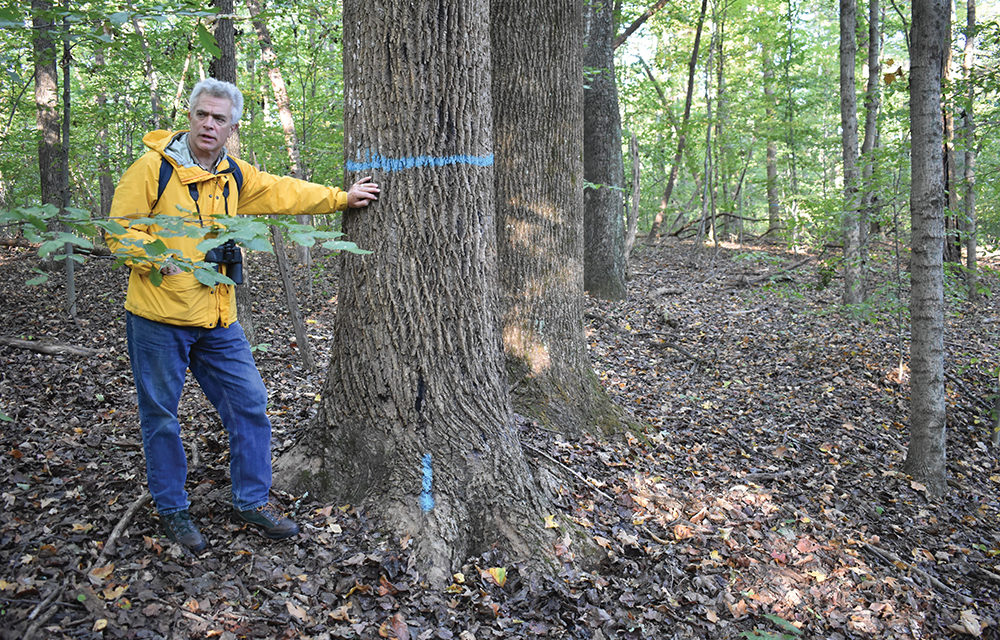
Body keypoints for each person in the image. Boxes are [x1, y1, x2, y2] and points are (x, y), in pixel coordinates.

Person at [107, 78, 379, 552]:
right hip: (158, 316)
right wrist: (152, 256)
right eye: (202, 115)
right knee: (161, 417)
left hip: (217, 317)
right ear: (189, 116)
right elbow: (119, 229)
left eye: (219, 119)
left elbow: (283, 191)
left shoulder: (234, 174)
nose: (209, 125)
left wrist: (340, 197)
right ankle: (172, 510)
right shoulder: (153, 168)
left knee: (250, 404)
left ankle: (250, 501)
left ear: (232, 127)